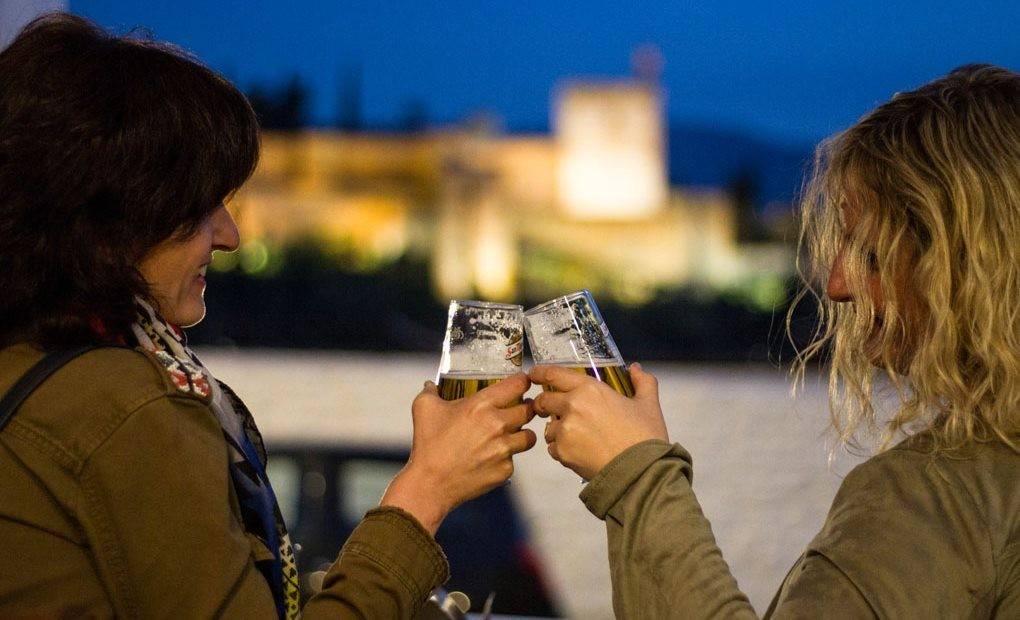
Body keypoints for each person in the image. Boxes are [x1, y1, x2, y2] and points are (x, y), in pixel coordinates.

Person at [0, 14, 536, 618]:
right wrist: (428, 488)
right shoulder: (122, 407)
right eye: (201, 207)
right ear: (111, 223)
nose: (228, 235)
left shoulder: (33, 367)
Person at [531, 64, 1019, 618]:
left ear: (963, 265)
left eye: (870, 253)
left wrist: (635, 474)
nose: (835, 286)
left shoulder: (937, 497)